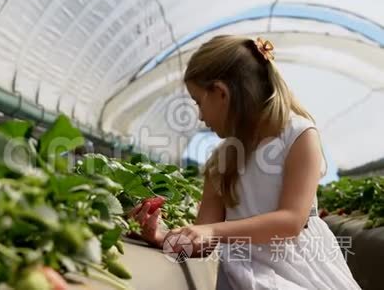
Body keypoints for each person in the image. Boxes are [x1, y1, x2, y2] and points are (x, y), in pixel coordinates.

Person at [129, 35, 362, 289]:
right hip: (245, 273)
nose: (199, 116)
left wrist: (215, 231)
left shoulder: (299, 135)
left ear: (221, 93)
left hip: (300, 271)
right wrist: (160, 237)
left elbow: (291, 221)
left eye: (199, 102)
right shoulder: (222, 158)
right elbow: (204, 242)